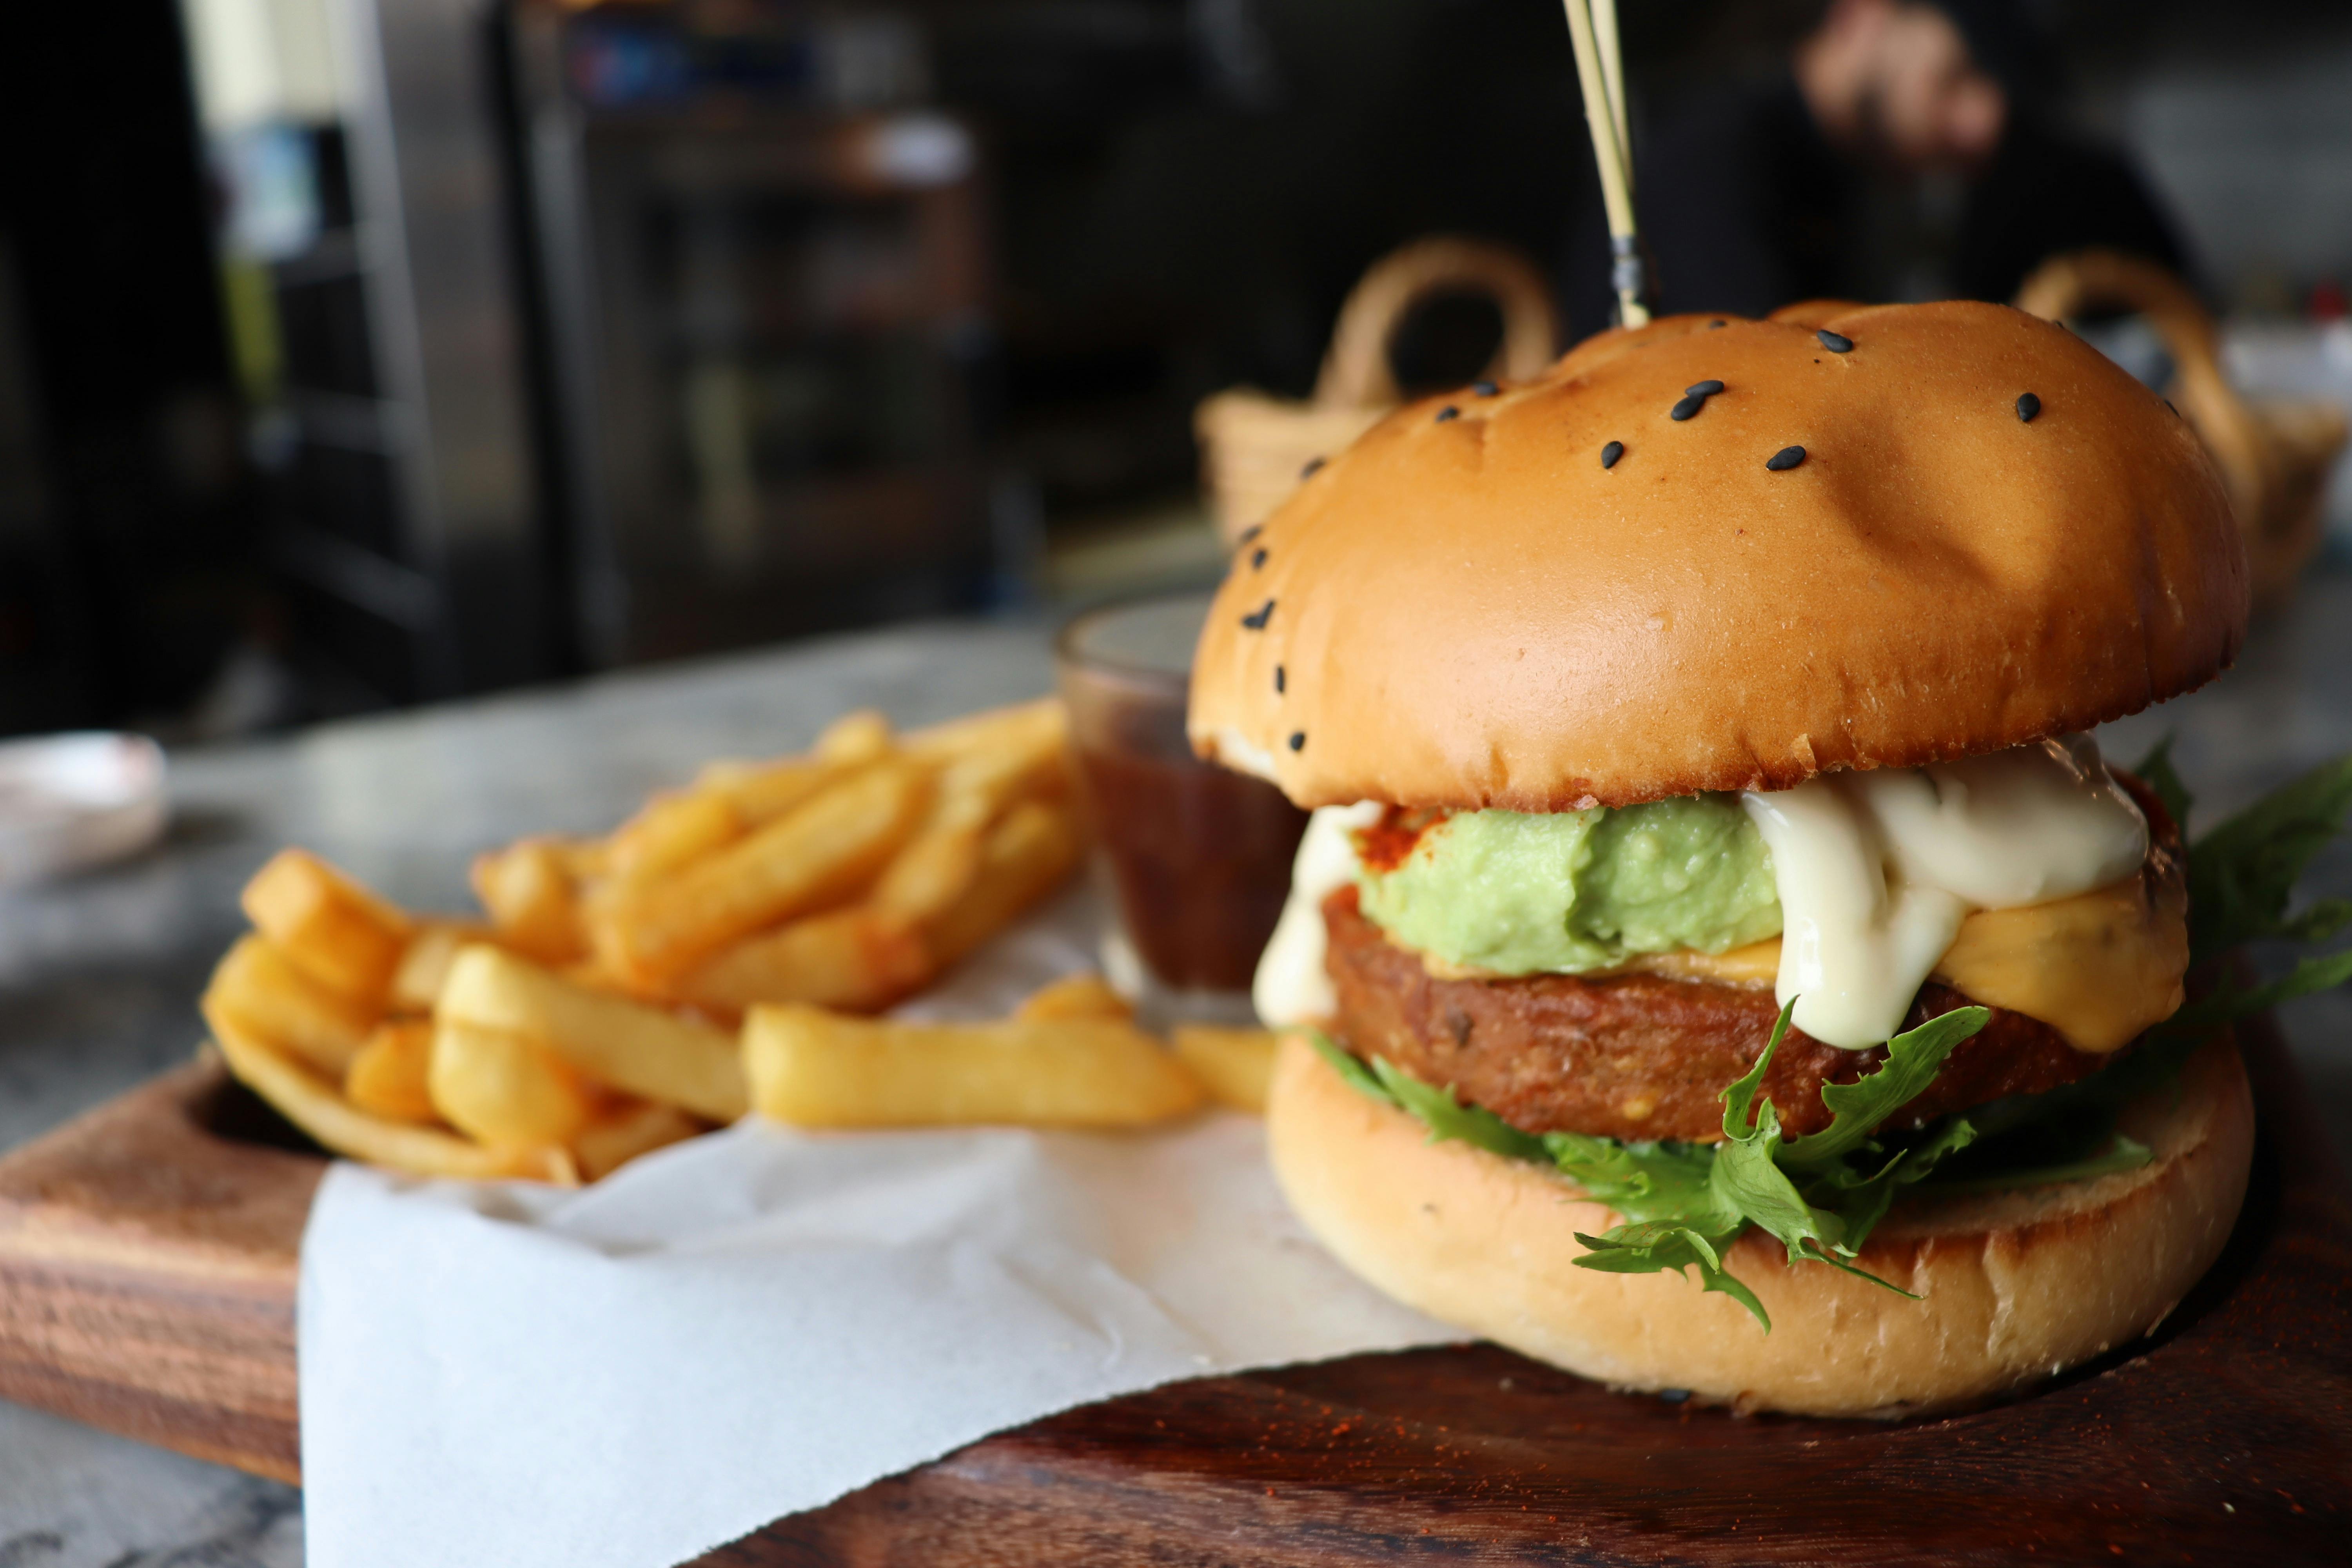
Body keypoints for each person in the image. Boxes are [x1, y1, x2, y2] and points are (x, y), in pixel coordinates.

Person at [1563, 0, 2191, 334]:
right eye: (1960, 73)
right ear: (1863, 13)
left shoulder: (1840, 178)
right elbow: (1762, 397)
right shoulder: (1718, 161)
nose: (1980, 128)